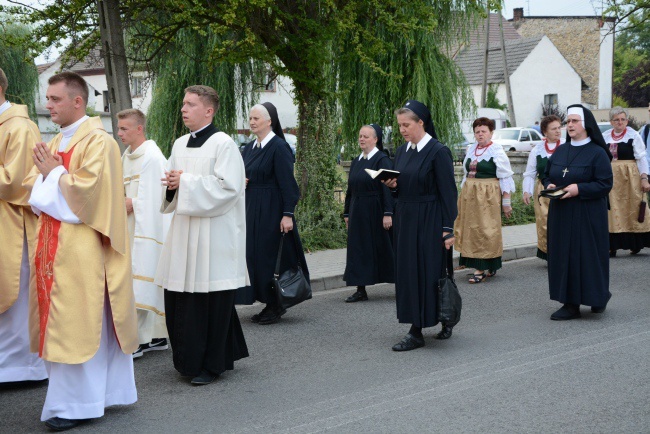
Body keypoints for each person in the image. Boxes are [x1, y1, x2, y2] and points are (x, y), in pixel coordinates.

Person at [23, 71, 138, 431]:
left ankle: (79, 405)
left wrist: (54, 176)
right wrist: (49, 176)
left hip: (83, 248)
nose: (48, 105)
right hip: (53, 247)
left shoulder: (99, 142)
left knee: (80, 325)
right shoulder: (57, 139)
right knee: (66, 323)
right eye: (48, 98)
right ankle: (86, 397)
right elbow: (35, 185)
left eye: (55, 99)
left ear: (77, 101)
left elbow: (90, 198)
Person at [154, 85, 249, 385]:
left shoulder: (224, 145)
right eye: (183, 103)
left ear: (208, 110)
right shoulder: (179, 144)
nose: (183, 109)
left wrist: (186, 181)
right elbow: (171, 186)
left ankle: (212, 364)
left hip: (214, 237)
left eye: (190, 104)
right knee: (181, 298)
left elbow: (229, 188)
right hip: (184, 233)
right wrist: (171, 186)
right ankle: (187, 360)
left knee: (211, 302)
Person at [382, 100, 458, 351]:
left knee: (430, 272)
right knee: (407, 273)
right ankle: (417, 324)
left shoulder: (438, 151)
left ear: (421, 123)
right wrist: (394, 187)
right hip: (406, 219)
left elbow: (448, 193)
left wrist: (448, 229)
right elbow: (403, 186)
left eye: (406, 125)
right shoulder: (402, 152)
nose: (402, 130)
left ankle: (430, 323)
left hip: (430, 219)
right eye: (399, 125)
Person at [234, 103, 309, 324]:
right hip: (251, 208)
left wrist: (287, 214)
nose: (252, 121)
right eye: (250, 118)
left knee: (269, 257)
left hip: (272, 209)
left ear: (270, 121)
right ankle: (265, 299)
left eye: (257, 118)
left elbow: (289, 184)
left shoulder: (279, 147)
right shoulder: (248, 148)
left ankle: (275, 304)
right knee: (254, 256)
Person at [542, 104, 613, 320]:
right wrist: (550, 184)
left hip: (588, 213)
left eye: (574, 121)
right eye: (568, 122)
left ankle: (597, 297)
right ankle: (570, 303)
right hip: (562, 213)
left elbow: (605, 184)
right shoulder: (561, 150)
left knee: (587, 256)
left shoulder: (597, 153)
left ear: (586, 124)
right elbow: (546, 174)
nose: (569, 125)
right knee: (563, 255)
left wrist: (578, 189)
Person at [0, 67, 48, 383]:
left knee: (15, 297)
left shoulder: (19, 127)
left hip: (13, 223)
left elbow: (15, 181)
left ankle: (21, 367)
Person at [118, 109, 171, 358]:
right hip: (129, 227)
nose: (119, 134)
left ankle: (141, 339)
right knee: (132, 280)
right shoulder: (126, 156)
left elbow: (160, 199)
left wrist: (134, 203)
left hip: (147, 229)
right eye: (118, 129)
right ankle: (156, 337)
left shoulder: (152, 157)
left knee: (142, 279)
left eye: (124, 129)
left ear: (139, 129)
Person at [454, 117, 515, 283]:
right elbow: (466, 174)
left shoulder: (496, 151)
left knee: (487, 229)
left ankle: (481, 268)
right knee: (471, 229)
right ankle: (485, 264)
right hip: (470, 194)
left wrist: (506, 202)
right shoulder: (472, 149)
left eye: (483, 131)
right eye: (477, 132)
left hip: (488, 194)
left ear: (491, 132)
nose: (480, 134)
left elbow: (505, 176)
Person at [342, 124, 394, 302]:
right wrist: (347, 212)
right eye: (360, 136)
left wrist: (388, 212)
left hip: (376, 209)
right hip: (358, 210)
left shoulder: (381, 160)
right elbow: (350, 188)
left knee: (384, 247)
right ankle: (360, 288)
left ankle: (400, 283)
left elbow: (387, 188)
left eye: (365, 136)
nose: (361, 139)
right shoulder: (357, 160)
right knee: (358, 249)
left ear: (375, 139)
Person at [602, 106, 650, 256]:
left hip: (630, 176)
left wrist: (644, 178)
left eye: (623, 119)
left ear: (627, 121)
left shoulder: (633, 135)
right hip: (611, 177)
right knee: (612, 209)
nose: (620, 122)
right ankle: (611, 245)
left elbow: (641, 158)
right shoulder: (604, 136)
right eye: (616, 120)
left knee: (633, 207)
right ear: (611, 121)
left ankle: (636, 243)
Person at [522, 115, 564, 260]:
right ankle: (549, 253)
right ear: (545, 132)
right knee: (545, 222)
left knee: (563, 223)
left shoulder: (566, 146)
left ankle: (564, 253)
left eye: (559, 128)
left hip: (563, 189)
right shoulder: (537, 150)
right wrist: (526, 191)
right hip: (543, 191)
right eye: (554, 129)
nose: (558, 131)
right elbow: (530, 173)